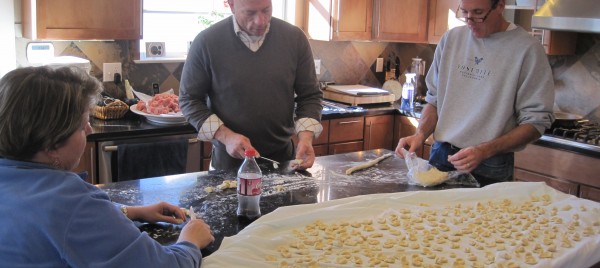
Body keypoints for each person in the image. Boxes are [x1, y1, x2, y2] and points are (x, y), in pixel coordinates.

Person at [0, 66, 214, 267]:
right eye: (83, 126)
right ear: (52, 143)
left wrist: (130, 211)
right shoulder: (71, 202)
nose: (90, 131)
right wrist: (190, 242)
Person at [395, 0, 555, 186]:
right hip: (440, 155)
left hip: (490, 163)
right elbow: (435, 101)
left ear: (500, 6)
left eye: (478, 13)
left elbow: (535, 123)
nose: (470, 21)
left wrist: (484, 150)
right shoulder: (451, 40)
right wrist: (420, 134)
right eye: (465, 13)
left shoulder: (527, 49)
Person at [179, 0, 323, 172]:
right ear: (231, 5)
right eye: (250, 13)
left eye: (266, 10)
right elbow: (189, 100)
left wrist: (306, 138)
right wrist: (226, 136)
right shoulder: (206, 42)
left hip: (284, 159)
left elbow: (310, 96)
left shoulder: (295, 38)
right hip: (229, 163)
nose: (260, 21)